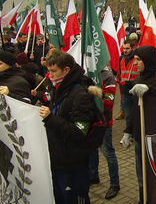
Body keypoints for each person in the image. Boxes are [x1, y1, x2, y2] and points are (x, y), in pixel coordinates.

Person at [38, 49, 94, 204]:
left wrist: (50, 118)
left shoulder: (79, 94)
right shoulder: (58, 87)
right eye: (48, 71)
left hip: (73, 162)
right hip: (59, 157)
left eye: (53, 71)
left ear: (66, 70)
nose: (50, 75)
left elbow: (78, 132)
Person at [120, 45, 156, 204]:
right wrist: (128, 131)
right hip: (140, 138)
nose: (135, 63)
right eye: (134, 59)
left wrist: (150, 90)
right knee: (141, 178)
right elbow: (135, 110)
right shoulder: (137, 79)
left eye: (138, 60)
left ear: (148, 61)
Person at [88, 67, 121, 200]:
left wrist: (87, 102)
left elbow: (109, 102)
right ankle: (93, 176)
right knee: (91, 149)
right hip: (90, 120)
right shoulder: (87, 73)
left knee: (108, 152)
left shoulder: (108, 76)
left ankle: (115, 184)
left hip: (104, 121)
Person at [116, 40, 137, 128]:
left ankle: (136, 133)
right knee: (128, 115)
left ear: (133, 48)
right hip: (125, 91)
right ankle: (129, 133)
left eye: (127, 48)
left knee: (136, 114)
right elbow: (121, 73)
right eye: (124, 48)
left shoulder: (137, 58)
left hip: (135, 90)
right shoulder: (121, 58)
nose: (125, 50)